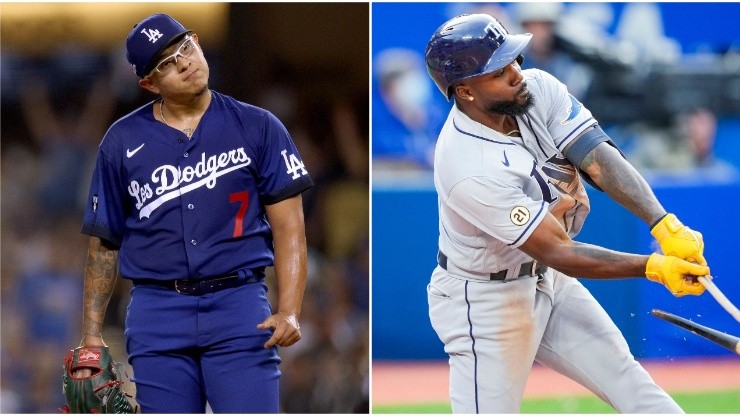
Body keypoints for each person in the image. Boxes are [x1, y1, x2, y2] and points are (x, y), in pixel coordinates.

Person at [424, 14, 709, 413]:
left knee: (628, 381)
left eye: (513, 59)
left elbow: (598, 159)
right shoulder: (465, 163)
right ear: (466, 92)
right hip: (485, 300)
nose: (515, 73)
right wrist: (653, 266)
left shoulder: (538, 88)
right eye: (498, 70)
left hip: (547, 280)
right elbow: (560, 251)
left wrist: (663, 223)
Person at [77, 13, 313, 413]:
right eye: (165, 63)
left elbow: (289, 227)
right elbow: (104, 246)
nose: (184, 62)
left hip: (238, 305)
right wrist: (91, 335)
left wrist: (289, 309)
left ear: (199, 43)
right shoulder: (120, 142)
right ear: (149, 84)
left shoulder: (258, 126)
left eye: (185, 48)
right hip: (157, 311)